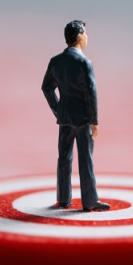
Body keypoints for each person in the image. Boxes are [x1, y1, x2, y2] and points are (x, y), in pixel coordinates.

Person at [41, 20, 110, 211]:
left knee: (64, 157)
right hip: (82, 118)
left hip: (64, 118)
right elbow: (91, 93)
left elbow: (47, 88)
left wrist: (58, 108)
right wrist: (94, 120)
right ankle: (89, 201)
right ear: (79, 36)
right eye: (86, 34)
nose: (87, 37)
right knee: (85, 158)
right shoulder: (84, 62)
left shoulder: (56, 61)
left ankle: (63, 199)